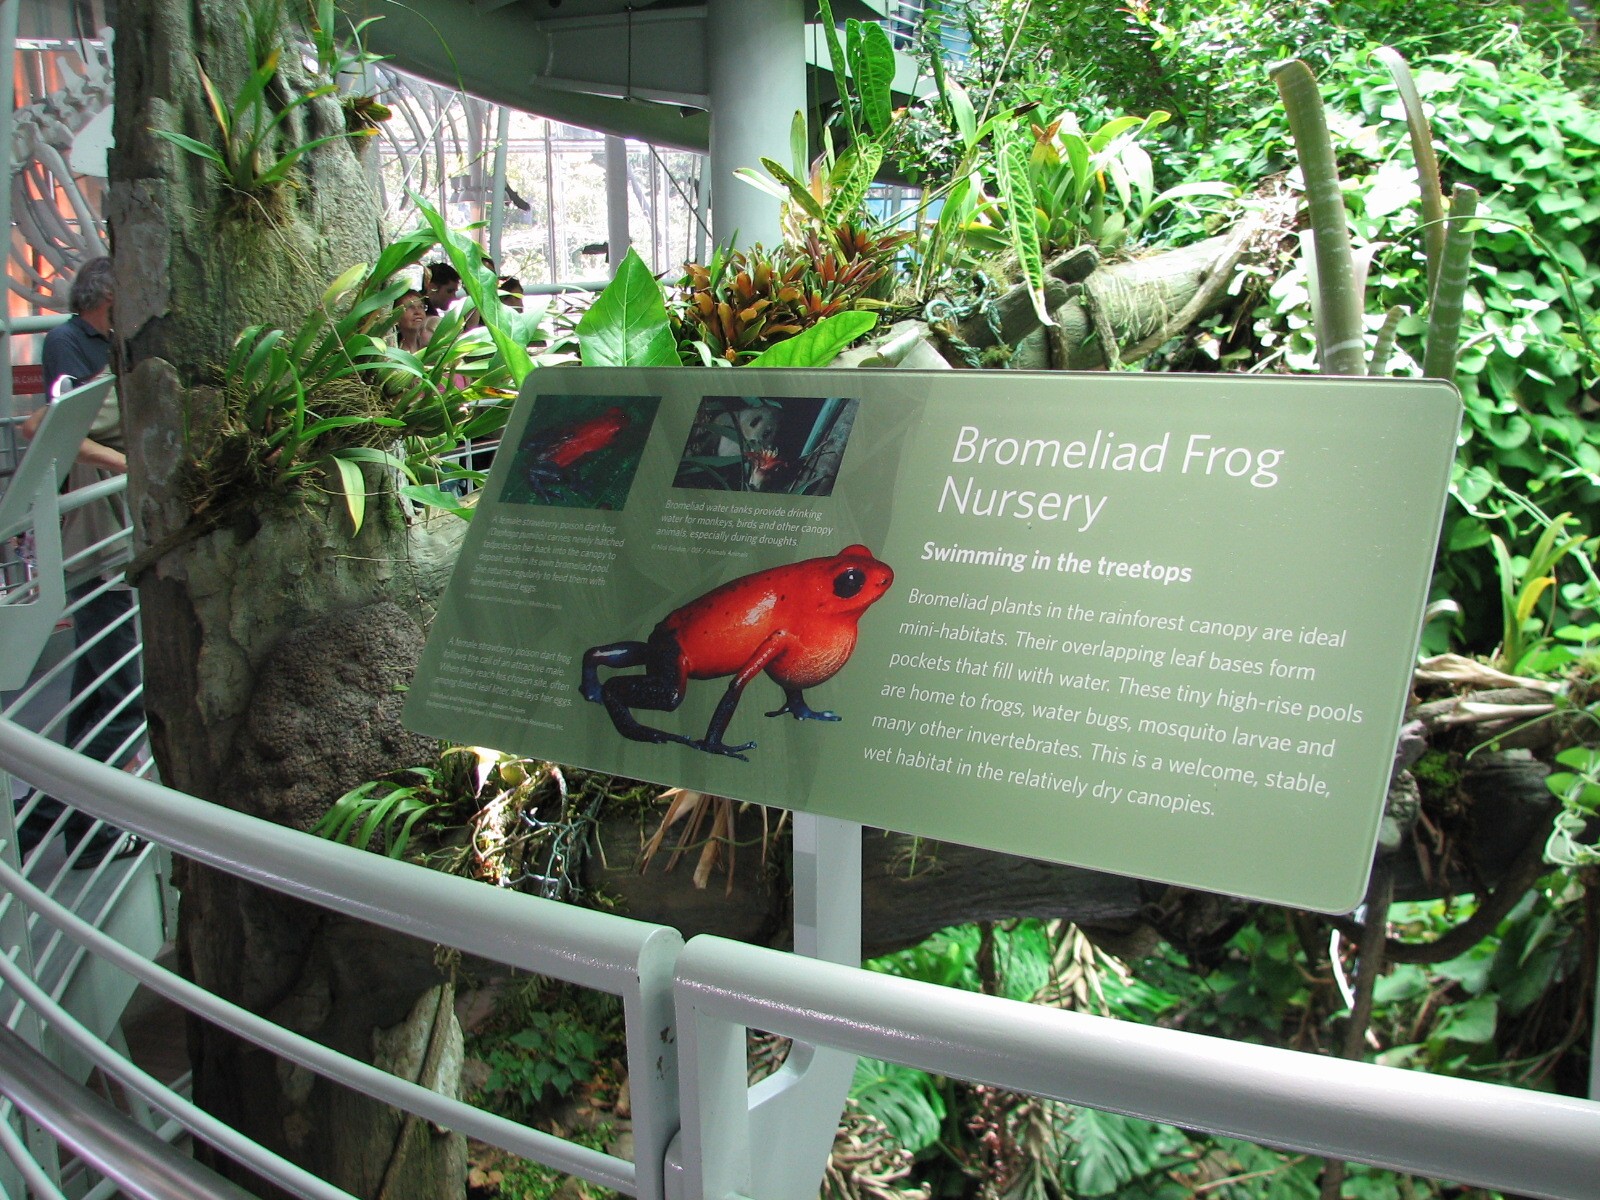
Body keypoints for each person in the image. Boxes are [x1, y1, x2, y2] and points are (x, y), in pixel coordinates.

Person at [16, 256, 144, 867]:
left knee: (99, 688)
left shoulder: (113, 346)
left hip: (113, 535)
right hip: (99, 535)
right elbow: (50, 423)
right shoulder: (71, 345)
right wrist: (131, 466)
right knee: (117, 686)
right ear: (108, 296)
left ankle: (55, 823)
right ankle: (68, 825)